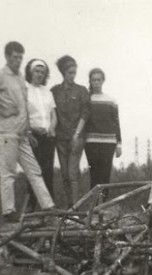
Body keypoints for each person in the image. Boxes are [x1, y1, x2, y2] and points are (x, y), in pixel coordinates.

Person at [0, 41, 55, 222]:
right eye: (15, 57)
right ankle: (9, 212)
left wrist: (27, 131)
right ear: (7, 57)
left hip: (22, 134)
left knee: (35, 170)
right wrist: (2, 110)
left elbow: (24, 108)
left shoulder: (20, 77)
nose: (18, 61)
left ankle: (48, 206)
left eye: (20, 57)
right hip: (6, 133)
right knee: (9, 172)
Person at [51, 55, 90, 208]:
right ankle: (70, 206)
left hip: (77, 137)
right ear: (63, 72)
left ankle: (75, 207)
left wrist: (77, 134)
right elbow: (51, 111)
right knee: (65, 175)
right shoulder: (55, 91)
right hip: (60, 138)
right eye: (69, 73)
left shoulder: (81, 91)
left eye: (74, 72)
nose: (72, 76)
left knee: (72, 173)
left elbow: (85, 112)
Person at [25, 59, 57, 212]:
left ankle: (49, 208)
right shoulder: (25, 90)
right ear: (31, 72)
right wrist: (29, 132)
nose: (39, 75)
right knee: (33, 172)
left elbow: (53, 114)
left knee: (48, 172)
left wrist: (52, 128)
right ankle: (31, 206)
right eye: (37, 71)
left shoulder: (47, 92)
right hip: (33, 137)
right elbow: (23, 114)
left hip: (48, 137)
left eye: (42, 72)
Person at [84, 68, 122, 199]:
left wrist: (119, 144)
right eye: (93, 80)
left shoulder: (111, 101)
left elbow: (116, 123)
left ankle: (104, 203)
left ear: (103, 81)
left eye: (98, 80)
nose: (96, 83)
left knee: (105, 174)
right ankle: (94, 207)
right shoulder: (86, 100)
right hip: (91, 142)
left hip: (108, 143)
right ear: (90, 81)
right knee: (94, 174)